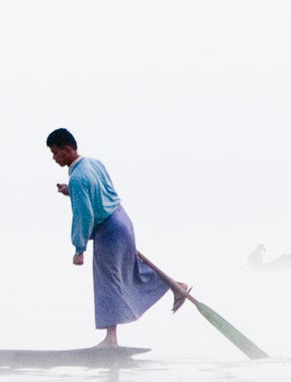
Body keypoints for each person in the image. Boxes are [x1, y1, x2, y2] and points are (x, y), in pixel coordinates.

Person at [48, 128, 188, 346]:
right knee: (133, 269)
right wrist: (71, 191)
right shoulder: (93, 163)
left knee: (108, 282)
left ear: (67, 150)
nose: (54, 158)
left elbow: (84, 215)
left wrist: (79, 248)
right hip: (121, 220)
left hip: (109, 230)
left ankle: (110, 339)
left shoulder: (78, 177)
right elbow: (100, 192)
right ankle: (177, 286)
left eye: (55, 153)